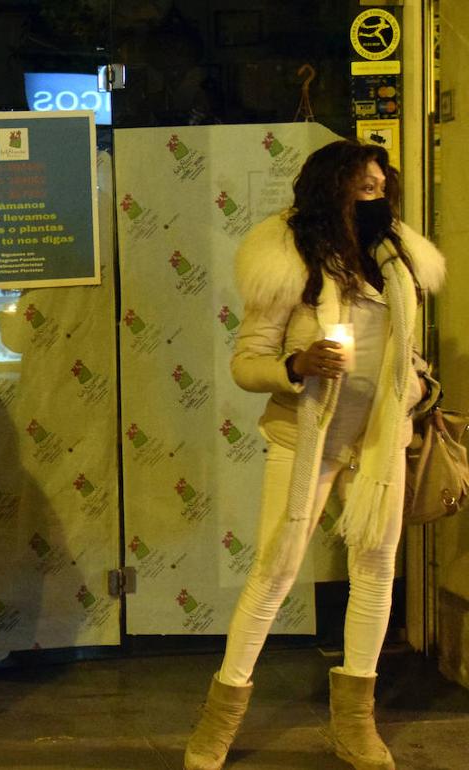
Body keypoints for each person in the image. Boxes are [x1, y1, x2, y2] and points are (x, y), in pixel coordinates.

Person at [183, 140, 445, 770]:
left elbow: (407, 352)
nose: (374, 190)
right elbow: (247, 363)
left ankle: (356, 723)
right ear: (330, 185)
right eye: (361, 182)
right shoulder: (287, 255)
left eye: (381, 183)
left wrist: (413, 384)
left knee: (377, 571)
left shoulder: (398, 257)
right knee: (273, 572)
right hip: (306, 442)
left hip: (380, 443)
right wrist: (297, 365)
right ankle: (218, 722)